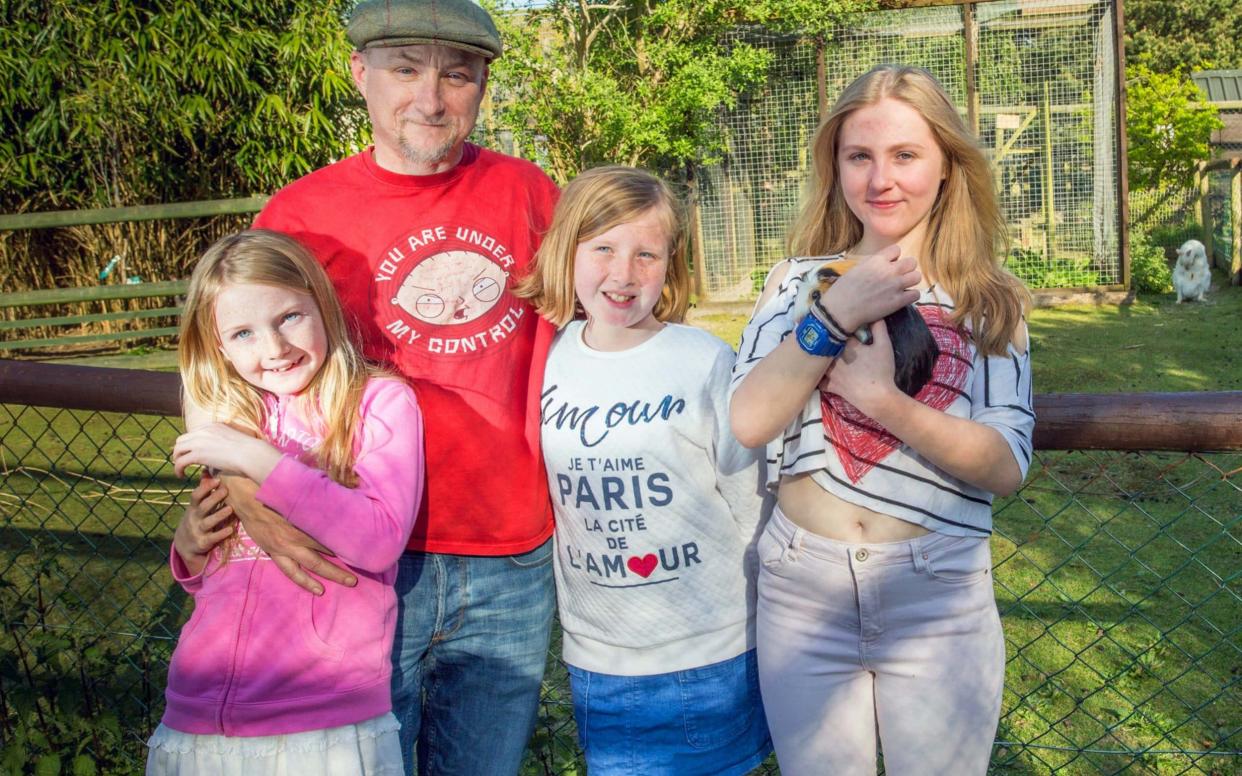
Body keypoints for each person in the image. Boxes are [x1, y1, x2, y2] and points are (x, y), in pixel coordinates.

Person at [222, 0, 562, 773]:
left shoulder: (531, 195)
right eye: (405, 69)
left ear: (482, 85)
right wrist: (236, 483)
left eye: (458, 74)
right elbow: (227, 365)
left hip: (507, 554)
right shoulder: (300, 217)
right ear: (360, 75)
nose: (432, 98)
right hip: (353, 553)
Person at [729, 64, 1034, 775]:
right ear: (834, 167)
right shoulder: (794, 282)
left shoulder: (990, 299)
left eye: (905, 155)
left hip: (938, 599)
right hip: (803, 589)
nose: (881, 180)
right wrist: (837, 311)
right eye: (859, 156)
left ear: (948, 167)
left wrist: (884, 403)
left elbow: (1008, 462)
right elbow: (748, 420)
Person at [516, 165, 773, 774]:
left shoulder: (701, 359)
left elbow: (750, 498)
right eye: (602, 248)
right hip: (599, 656)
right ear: (567, 249)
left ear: (670, 263)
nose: (623, 274)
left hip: (709, 649)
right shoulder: (544, 361)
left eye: (646, 253)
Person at [148, 230, 423, 775]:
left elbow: (377, 538)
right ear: (218, 346)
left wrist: (256, 460)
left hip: (322, 717)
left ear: (321, 306)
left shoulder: (378, 403)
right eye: (243, 332)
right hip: (200, 710)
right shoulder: (228, 415)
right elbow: (221, 574)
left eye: (289, 318)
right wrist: (189, 550)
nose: (273, 349)